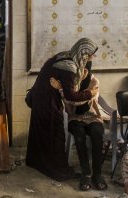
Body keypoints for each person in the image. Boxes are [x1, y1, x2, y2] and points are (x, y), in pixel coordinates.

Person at [26, 38, 99, 181]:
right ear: (83, 53)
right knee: (56, 133)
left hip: (39, 98)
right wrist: (90, 93)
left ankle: (37, 162)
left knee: (41, 132)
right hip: (47, 102)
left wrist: (72, 82)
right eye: (91, 55)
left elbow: (68, 86)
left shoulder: (66, 56)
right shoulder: (69, 67)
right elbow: (71, 95)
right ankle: (59, 171)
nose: (92, 58)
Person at [50, 61, 107, 191]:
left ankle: (97, 174)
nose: (82, 73)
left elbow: (78, 100)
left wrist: (61, 89)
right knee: (79, 135)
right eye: (80, 70)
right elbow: (70, 100)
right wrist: (63, 89)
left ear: (88, 71)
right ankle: (86, 173)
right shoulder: (70, 81)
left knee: (97, 134)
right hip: (74, 117)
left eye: (85, 70)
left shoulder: (94, 82)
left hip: (92, 116)